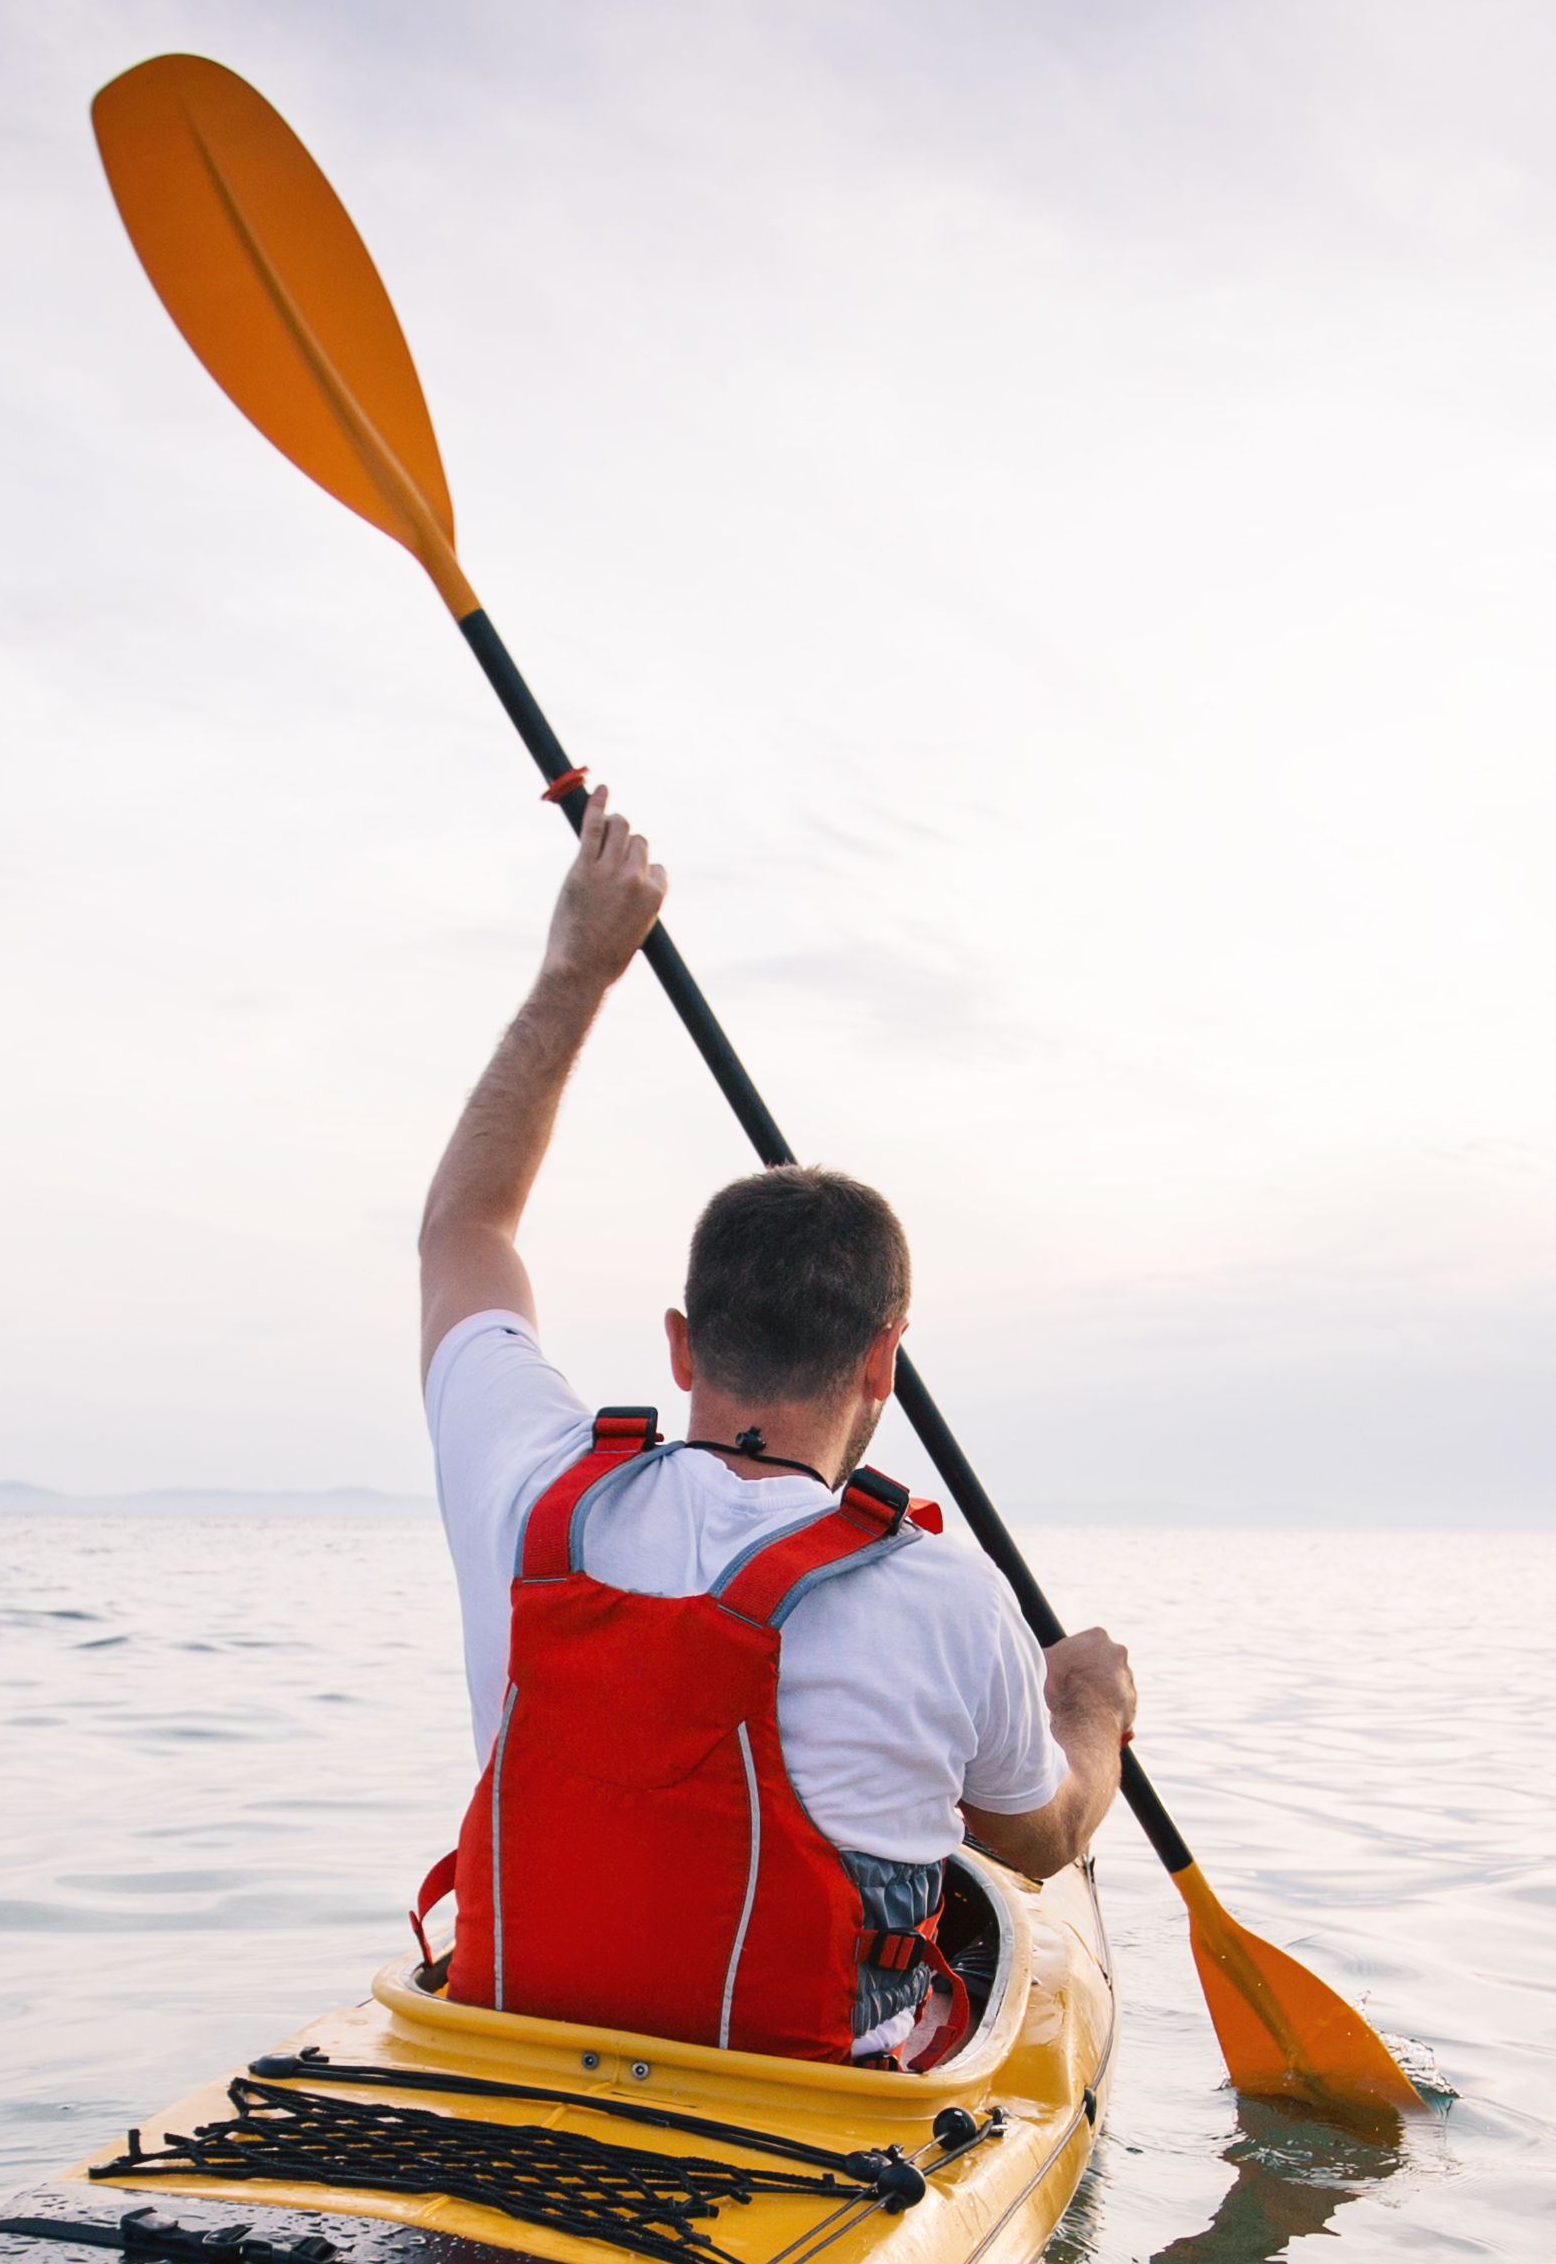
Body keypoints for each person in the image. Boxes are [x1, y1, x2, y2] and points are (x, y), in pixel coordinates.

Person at [409, 789, 1135, 2066]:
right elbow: (1041, 1835)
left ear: (682, 1343)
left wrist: (578, 967)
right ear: (882, 1363)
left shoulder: (530, 1490)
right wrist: (1089, 1709)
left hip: (510, 2064)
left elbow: (466, 1232)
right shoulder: (951, 1598)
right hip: (814, 2114)